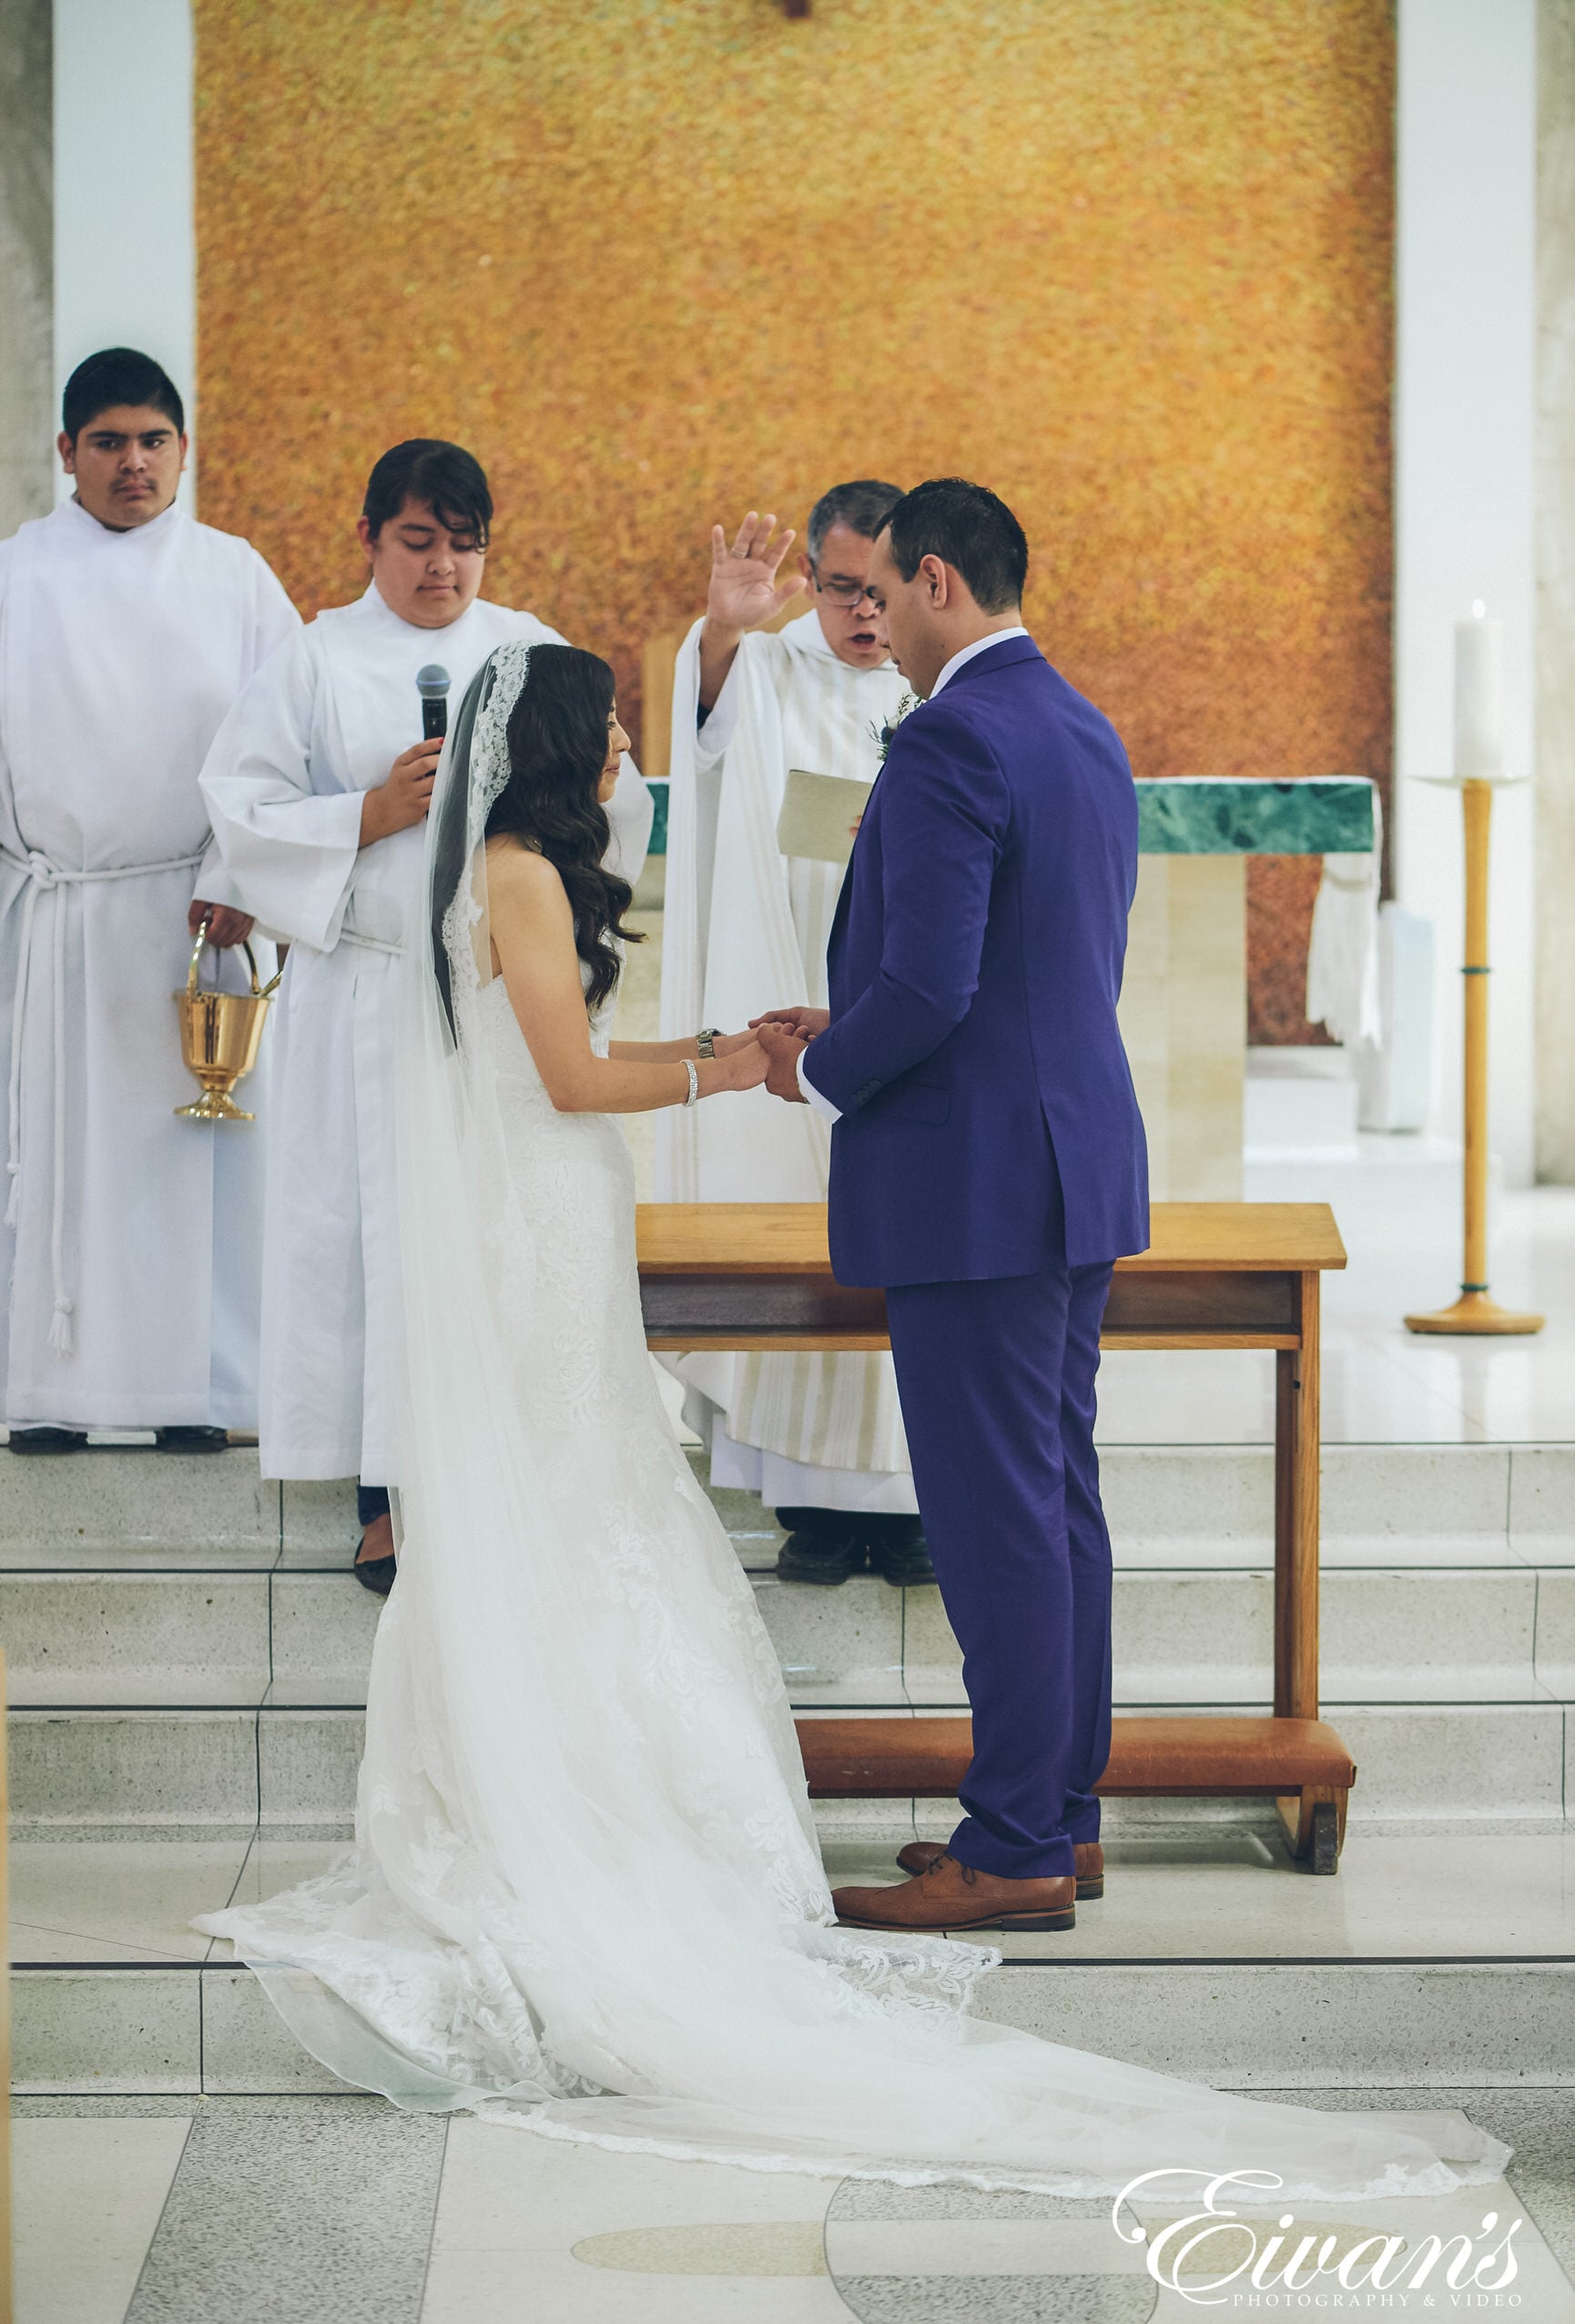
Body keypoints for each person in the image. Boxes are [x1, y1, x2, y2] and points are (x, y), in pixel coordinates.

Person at [199, 633, 1506, 2206]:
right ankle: (585, 1820)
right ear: (555, 745)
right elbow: (564, 1075)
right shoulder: (519, 873)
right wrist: (732, 1060)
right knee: (581, 1495)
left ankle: (613, 1799)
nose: (627, 749)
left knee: (592, 1493)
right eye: (611, 730)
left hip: (546, 1216)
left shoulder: (522, 863)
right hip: (539, 1212)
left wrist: (748, 1056)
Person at [754, 479, 1147, 1935]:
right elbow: (1038, 960)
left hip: (975, 1185)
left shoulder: (947, 740)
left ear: (933, 580)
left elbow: (929, 986)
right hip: (1067, 1163)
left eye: (877, 590)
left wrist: (824, 1065)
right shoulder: (1076, 725)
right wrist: (851, 1016)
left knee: (993, 1522)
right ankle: (1058, 1813)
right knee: (1054, 1506)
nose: (869, 619)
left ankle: (1011, 1848)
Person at [200, 441, 653, 1591]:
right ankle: (384, 1493)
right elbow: (241, 813)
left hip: (489, 1009)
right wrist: (365, 811)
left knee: (478, 1236)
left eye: (464, 542)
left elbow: (616, 796)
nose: (442, 565)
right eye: (417, 540)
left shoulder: (529, 645)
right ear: (368, 539)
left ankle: (488, 1473)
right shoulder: (315, 656)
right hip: (363, 992)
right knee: (370, 1240)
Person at [0, 347, 299, 1452]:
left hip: (195, 919)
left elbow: (281, 744)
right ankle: (47, 1389)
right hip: (59, 919)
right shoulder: (15, 578)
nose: (135, 463)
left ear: (184, 451)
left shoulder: (235, 577)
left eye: (155, 441)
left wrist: (236, 880)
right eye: (110, 442)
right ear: (67, 453)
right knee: (53, 1150)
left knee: (191, 1160)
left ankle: (195, 1391)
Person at [658, 484, 931, 1585]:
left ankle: (908, 1505)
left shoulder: (939, 683)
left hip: (904, 1001)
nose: (865, 615)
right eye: (839, 590)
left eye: (882, 590)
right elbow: (711, 726)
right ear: (809, 581)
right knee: (795, 1222)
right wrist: (725, 627)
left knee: (907, 1231)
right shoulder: (772, 667)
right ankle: (811, 1507)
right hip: (792, 977)